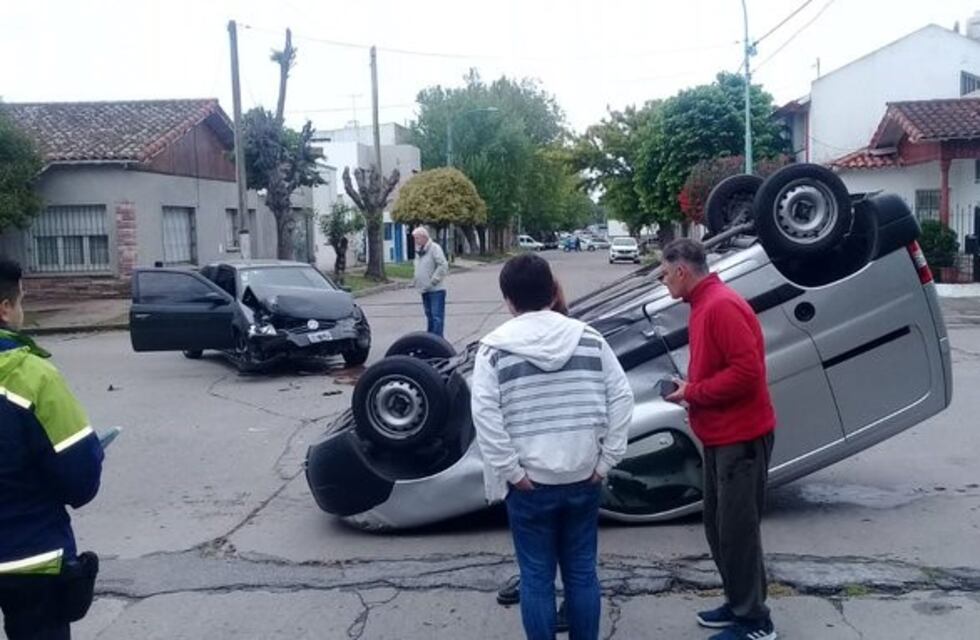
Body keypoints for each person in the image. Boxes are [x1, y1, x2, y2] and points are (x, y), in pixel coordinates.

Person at [471, 253, 634, 640]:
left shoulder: (493, 350)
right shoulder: (590, 340)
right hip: (584, 477)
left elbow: (485, 417)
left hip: (530, 485)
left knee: (536, 578)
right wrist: (605, 460)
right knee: (581, 573)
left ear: (508, 300)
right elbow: (622, 398)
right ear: (551, 291)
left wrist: (512, 472)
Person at [659, 239, 777, 640]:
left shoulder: (720, 305)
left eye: (664, 272)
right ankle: (739, 600)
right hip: (719, 434)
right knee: (719, 527)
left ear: (682, 271)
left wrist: (692, 392)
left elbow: (747, 374)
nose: (662, 280)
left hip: (740, 438)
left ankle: (755, 621)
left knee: (738, 530)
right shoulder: (704, 304)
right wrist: (691, 388)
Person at [0, 258, 104, 640]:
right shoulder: (33, 377)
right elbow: (80, 478)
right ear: (5, 309)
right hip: (30, 560)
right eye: (21, 300)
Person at [411, 226, 449, 337]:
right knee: (429, 316)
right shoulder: (419, 251)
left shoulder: (434, 248)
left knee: (437, 317)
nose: (415, 241)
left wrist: (434, 280)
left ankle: (437, 341)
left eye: (417, 238)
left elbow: (443, 265)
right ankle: (430, 339)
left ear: (424, 237)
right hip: (424, 289)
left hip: (436, 290)